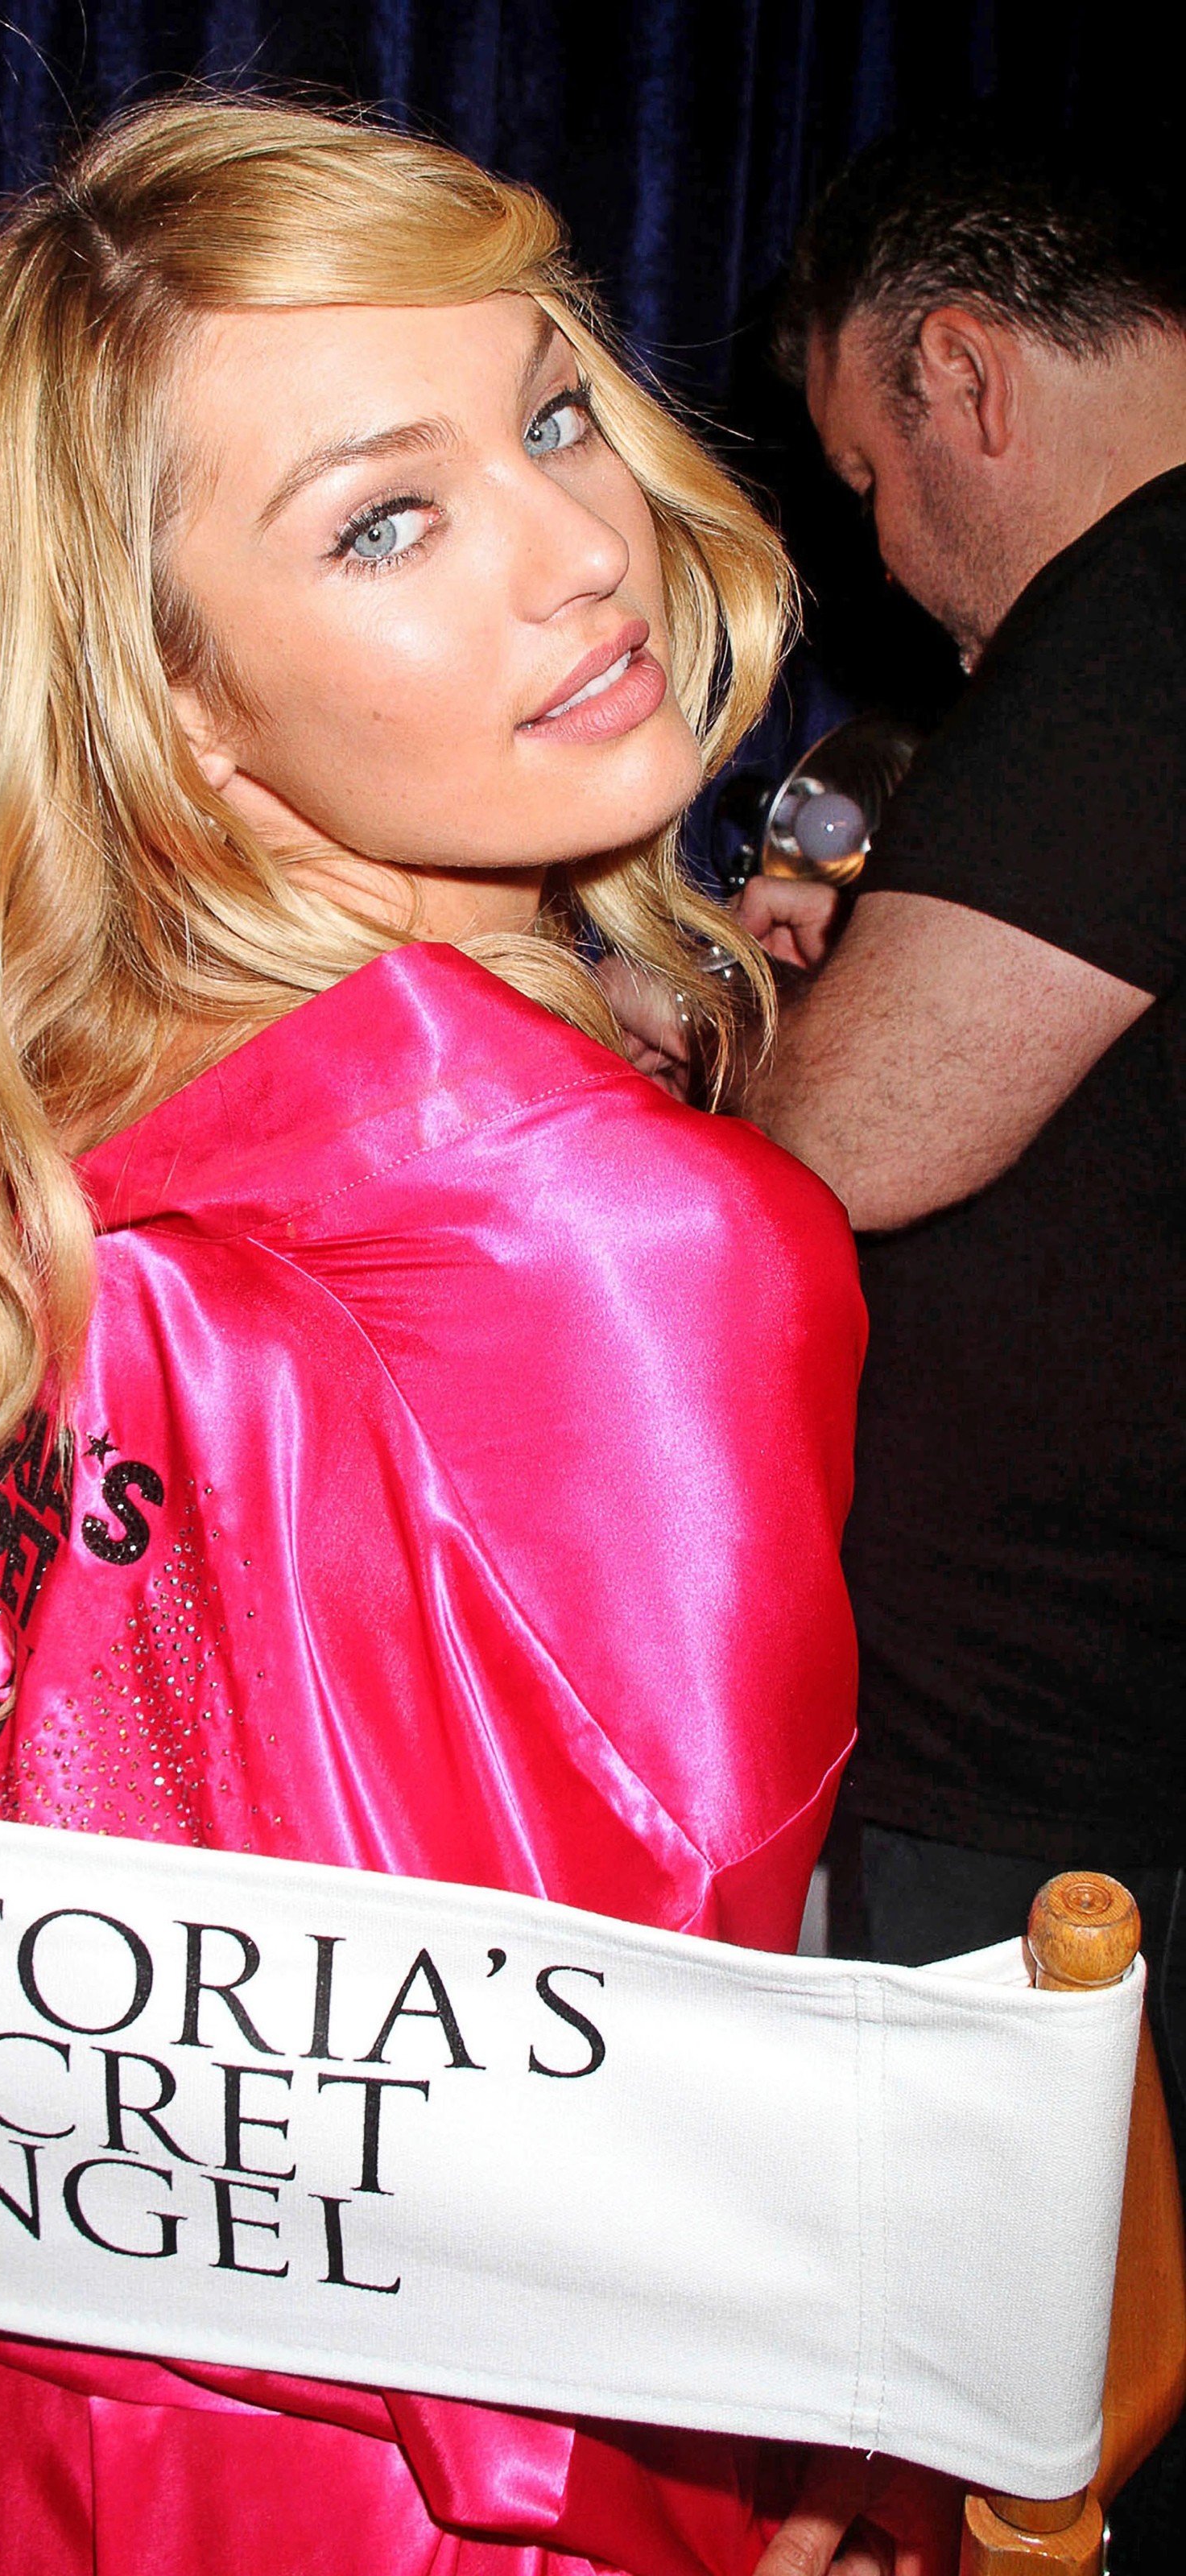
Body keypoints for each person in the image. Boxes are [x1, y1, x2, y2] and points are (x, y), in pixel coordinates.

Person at [0, 96, 937, 2576]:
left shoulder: (12, 1122)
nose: (583, 547)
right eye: (384, 520)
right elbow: (622, 2137)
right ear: (173, 700)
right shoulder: (634, 1242)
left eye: (551, 415)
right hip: (311, 2500)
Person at [727, 123, 1186, 2562]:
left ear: (964, 374)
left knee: (1024, 2428)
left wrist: (733, 1031)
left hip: (1058, 1763)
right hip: (1109, 1727)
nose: (890, 553)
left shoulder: (1140, 607)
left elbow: (859, 1130)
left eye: (869, 474)